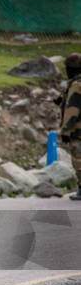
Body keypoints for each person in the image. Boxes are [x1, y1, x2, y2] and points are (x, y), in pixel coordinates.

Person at [59, 53, 81, 200]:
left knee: (78, 160)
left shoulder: (76, 84)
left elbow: (73, 109)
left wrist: (65, 130)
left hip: (78, 131)